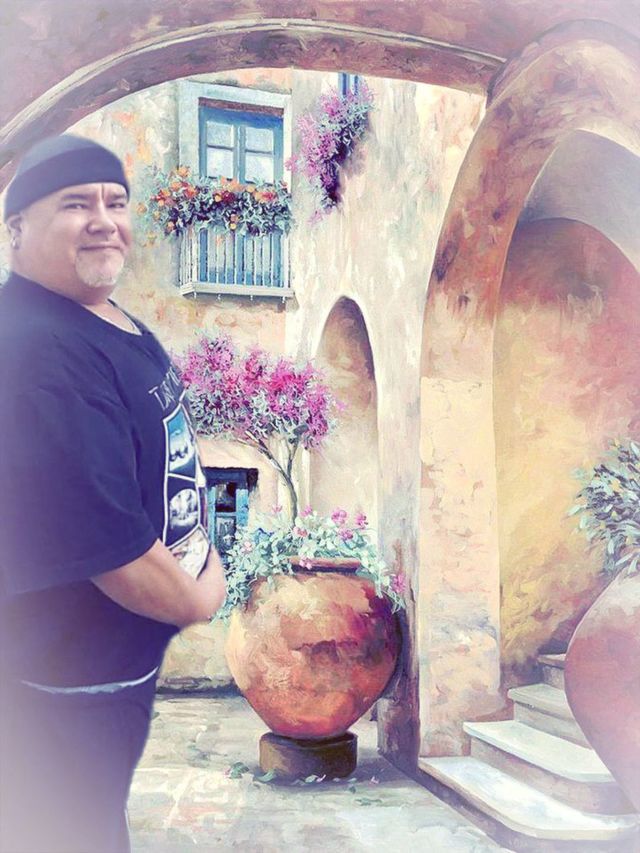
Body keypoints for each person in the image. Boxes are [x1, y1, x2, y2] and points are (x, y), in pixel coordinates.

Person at [0, 134, 227, 853]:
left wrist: (203, 546)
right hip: (57, 693)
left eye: (116, 202)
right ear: (16, 230)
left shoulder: (103, 318)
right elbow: (107, 545)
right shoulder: (35, 350)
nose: (104, 221)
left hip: (105, 683)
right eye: (76, 204)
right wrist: (199, 596)